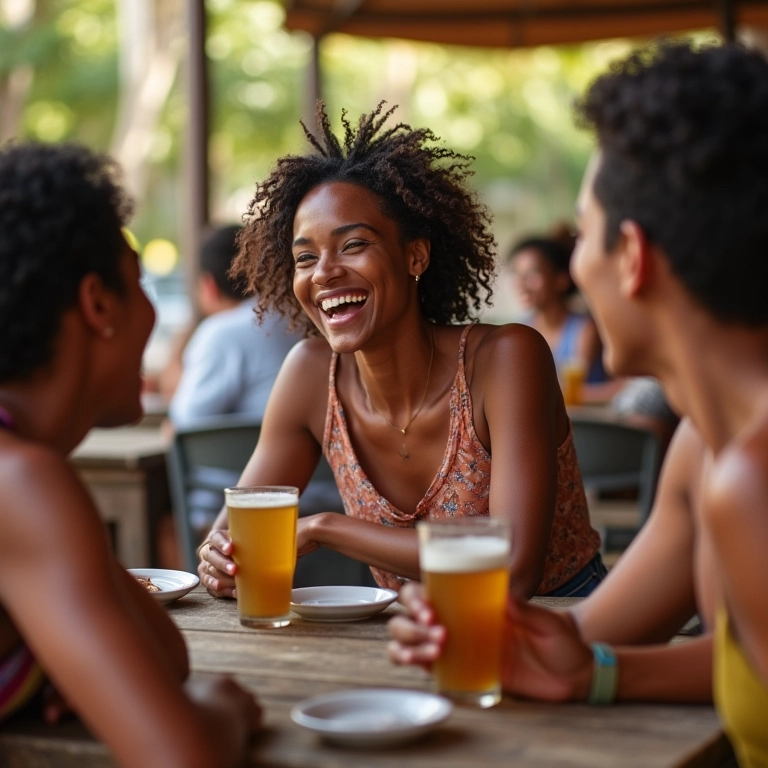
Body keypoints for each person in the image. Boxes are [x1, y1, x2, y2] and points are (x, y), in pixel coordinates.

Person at [388, 41, 768, 767]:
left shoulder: (753, 474)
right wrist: (578, 667)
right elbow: (613, 641)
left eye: (585, 234)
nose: (577, 265)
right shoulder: (703, 448)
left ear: (632, 258)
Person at [198, 103, 605, 601]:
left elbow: (511, 569)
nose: (323, 272)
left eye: (352, 245)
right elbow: (235, 534)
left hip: (561, 626)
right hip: (409, 636)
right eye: (306, 257)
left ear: (415, 255)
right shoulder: (309, 375)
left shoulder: (506, 359)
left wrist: (326, 528)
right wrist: (220, 558)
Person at [0, 141, 260, 767]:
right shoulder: (22, 482)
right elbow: (184, 755)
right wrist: (226, 707)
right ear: (98, 304)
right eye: (140, 283)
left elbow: (166, 655)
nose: (153, 313)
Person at [167, 224, 301, 429]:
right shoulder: (295, 318)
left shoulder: (220, 332)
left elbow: (185, 423)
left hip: (246, 460)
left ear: (209, 286)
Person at [505, 228, 618, 403]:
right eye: (518, 275)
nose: (522, 285)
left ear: (561, 280)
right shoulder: (522, 330)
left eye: (532, 274)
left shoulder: (584, 329)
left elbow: (571, 390)